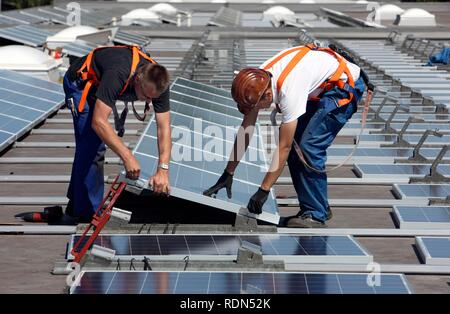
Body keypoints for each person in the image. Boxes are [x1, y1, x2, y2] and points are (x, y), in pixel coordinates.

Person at [203, 44, 367, 228]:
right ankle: (317, 207)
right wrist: (228, 172)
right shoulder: (257, 82)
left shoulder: (289, 90)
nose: (255, 110)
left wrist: (263, 191)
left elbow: (284, 147)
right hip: (321, 86)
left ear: (266, 95)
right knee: (299, 146)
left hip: (344, 87)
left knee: (307, 147)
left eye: (256, 106)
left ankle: (316, 214)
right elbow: (246, 130)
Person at [62, 45, 172, 222]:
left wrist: (163, 169)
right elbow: (98, 122)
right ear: (137, 80)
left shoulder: (160, 82)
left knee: (90, 146)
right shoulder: (118, 73)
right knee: (92, 146)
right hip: (80, 84)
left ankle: (75, 206)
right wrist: (127, 156)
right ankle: (85, 214)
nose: (150, 102)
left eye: (154, 98)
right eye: (146, 96)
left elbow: (164, 127)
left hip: (102, 84)